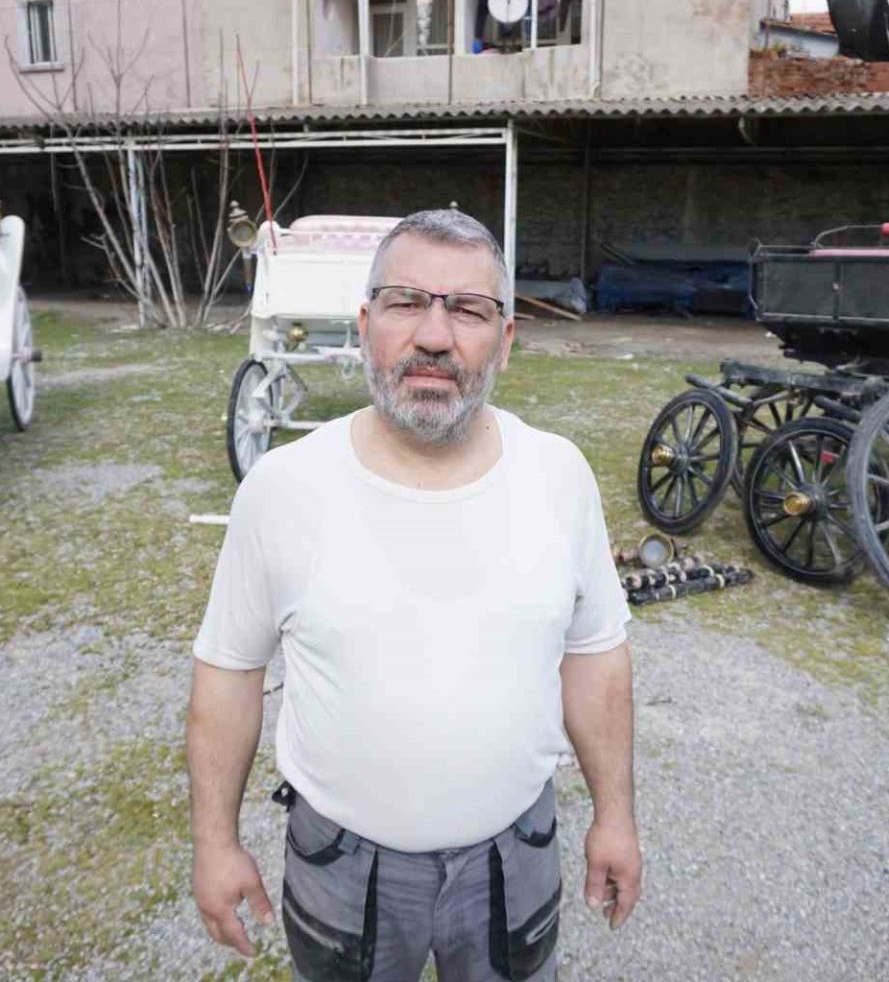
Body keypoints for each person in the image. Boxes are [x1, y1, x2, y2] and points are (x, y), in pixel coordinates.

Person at [187, 209, 640, 981]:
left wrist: (616, 815)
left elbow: (595, 656)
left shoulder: (559, 476)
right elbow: (228, 672)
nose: (434, 335)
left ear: (506, 340)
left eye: (468, 309)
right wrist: (215, 842)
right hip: (340, 865)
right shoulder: (282, 488)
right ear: (365, 325)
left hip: (516, 853)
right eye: (405, 302)